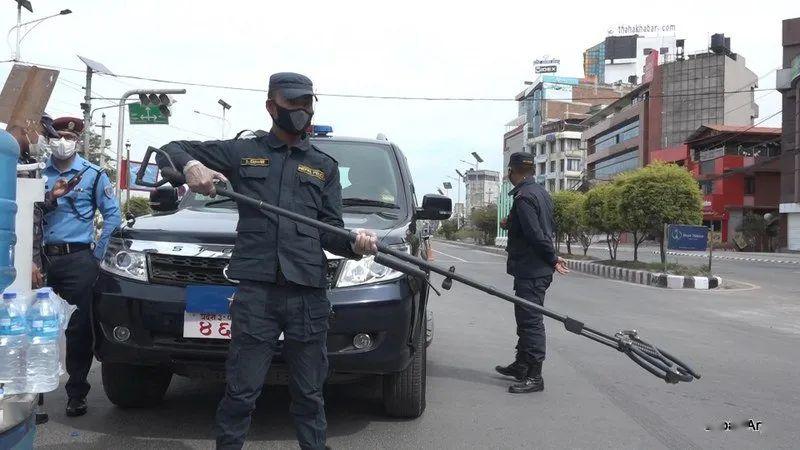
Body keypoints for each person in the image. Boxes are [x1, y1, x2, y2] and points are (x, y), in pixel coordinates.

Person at [157, 72, 378, 450]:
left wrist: (356, 245)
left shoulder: (323, 166)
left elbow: (330, 232)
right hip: (256, 293)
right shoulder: (243, 152)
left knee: (310, 395)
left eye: (307, 104)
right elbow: (170, 148)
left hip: (308, 294)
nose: (301, 112)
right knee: (242, 392)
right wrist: (193, 165)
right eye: (292, 105)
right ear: (271, 107)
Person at [39, 117, 121, 416]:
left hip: (78, 258)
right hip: (39, 258)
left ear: (77, 141)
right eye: (58, 136)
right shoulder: (36, 173)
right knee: (33, 325)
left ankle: (76, 392)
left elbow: (113, 217)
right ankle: (31, 395)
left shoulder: (93, 175)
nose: (63, 141)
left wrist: (98, 255)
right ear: (49, 139)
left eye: (68, 137)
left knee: (79, 327)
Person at [495, 152, 568, 394]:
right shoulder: (540, 193)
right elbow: (542, 226)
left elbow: (536, 234)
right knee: (525, 319)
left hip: (532, 269)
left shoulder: (524, 197)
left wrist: (553, 258)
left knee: (530, 322)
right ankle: (521, 365)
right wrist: (512, 222)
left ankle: (535, 376)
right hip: (535, 269)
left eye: (508, 171)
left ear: (512, 171)